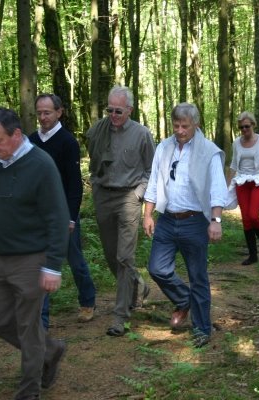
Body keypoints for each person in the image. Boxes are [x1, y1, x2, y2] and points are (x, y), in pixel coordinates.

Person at [0, 108, 70, 400]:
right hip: (0, 257)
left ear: (16, 135)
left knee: (29, 327)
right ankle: (51, 350)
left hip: (32, 258)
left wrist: (53, 266)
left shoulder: (41, 165)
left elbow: (58, 218)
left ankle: (29, 391)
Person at [143, 102, 229, 348]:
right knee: (157, 268)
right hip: (167, 220)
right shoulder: (164, 147)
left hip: (195, 221)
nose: (180, 131)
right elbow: (154, 181)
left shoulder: (209, 152)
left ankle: (202, 328)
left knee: (197, 276)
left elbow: (217, 189)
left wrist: (215, 220)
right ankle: (183, 299)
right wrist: (148, 214)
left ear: (196, 125)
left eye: (185, 126)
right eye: (176, 125)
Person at [86, 85, 155, 337]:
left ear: (129, 110)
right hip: (104, 196)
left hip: (129, 198)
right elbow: (93, 162)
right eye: (110, 110)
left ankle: (120, 316)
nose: (113, 115)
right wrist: (95, 186)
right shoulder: (97, 130)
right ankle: (138, 286)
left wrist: (139, 194)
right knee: (111, 255)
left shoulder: (142, 134)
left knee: (124, 257)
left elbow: (152, 169)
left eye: (118, 111)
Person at [29, 93, 97, 327]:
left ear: (59, 112)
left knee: (74, 259)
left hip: (63, 213)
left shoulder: (68, 142)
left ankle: (88, 300)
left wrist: (70, 217)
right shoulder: (31, 141)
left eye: (47, 112)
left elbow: (74, 184)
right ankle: (41, 320)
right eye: (39, 113)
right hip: (38, 214)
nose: (43, 117)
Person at [226, 111, 259, 266]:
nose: (244, 130)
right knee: (246, 219)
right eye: (241, 127)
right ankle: (252, 255)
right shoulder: (236, 143)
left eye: (247, 126)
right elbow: (233, 165)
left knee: (253, 216)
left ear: (253, 125)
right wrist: (226, 185)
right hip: (242, 182)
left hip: (258, 181)